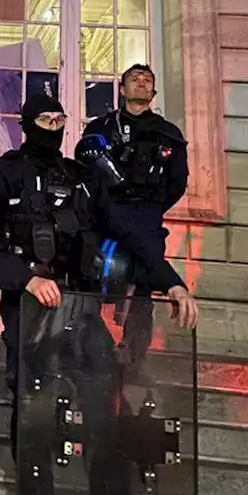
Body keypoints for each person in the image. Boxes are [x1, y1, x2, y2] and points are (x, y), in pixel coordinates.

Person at [0, 93, 198, 495]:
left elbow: (130, 233)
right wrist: (26, 279)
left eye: (59, 118)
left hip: (84, 312)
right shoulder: (0, 174)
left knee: (105, 425)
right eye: (44, 118)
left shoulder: (83, 180)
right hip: (32, 314)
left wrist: (171, 283)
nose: (53, 125)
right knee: (32, 432)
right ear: (28, 123)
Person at [82, 64, 188, 365]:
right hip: (104, 218)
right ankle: (93, 356)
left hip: (146, 219)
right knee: (93, 284)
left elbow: (178, 182)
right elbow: (88, 175)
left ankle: (133, 360)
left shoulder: (168, 133)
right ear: (122, 88)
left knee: (142, 292)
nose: (141, 84)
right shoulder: (100, 128)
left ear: (153, 91)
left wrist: (151, 207)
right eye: (134, 79)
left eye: (147, 80)